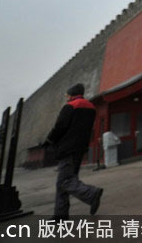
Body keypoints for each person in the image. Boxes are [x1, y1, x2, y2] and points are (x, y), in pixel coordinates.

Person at [45, 83, 103, 219]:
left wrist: (49, 139)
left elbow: (60, 127)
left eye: (67, 95)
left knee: (65, 181)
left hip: (67, 149)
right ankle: (60, 215)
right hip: (80, 149)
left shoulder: (70, 106)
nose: (66, 98)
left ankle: (91, 193)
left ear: (71, 94)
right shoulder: (91, 107)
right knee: (64, 182)